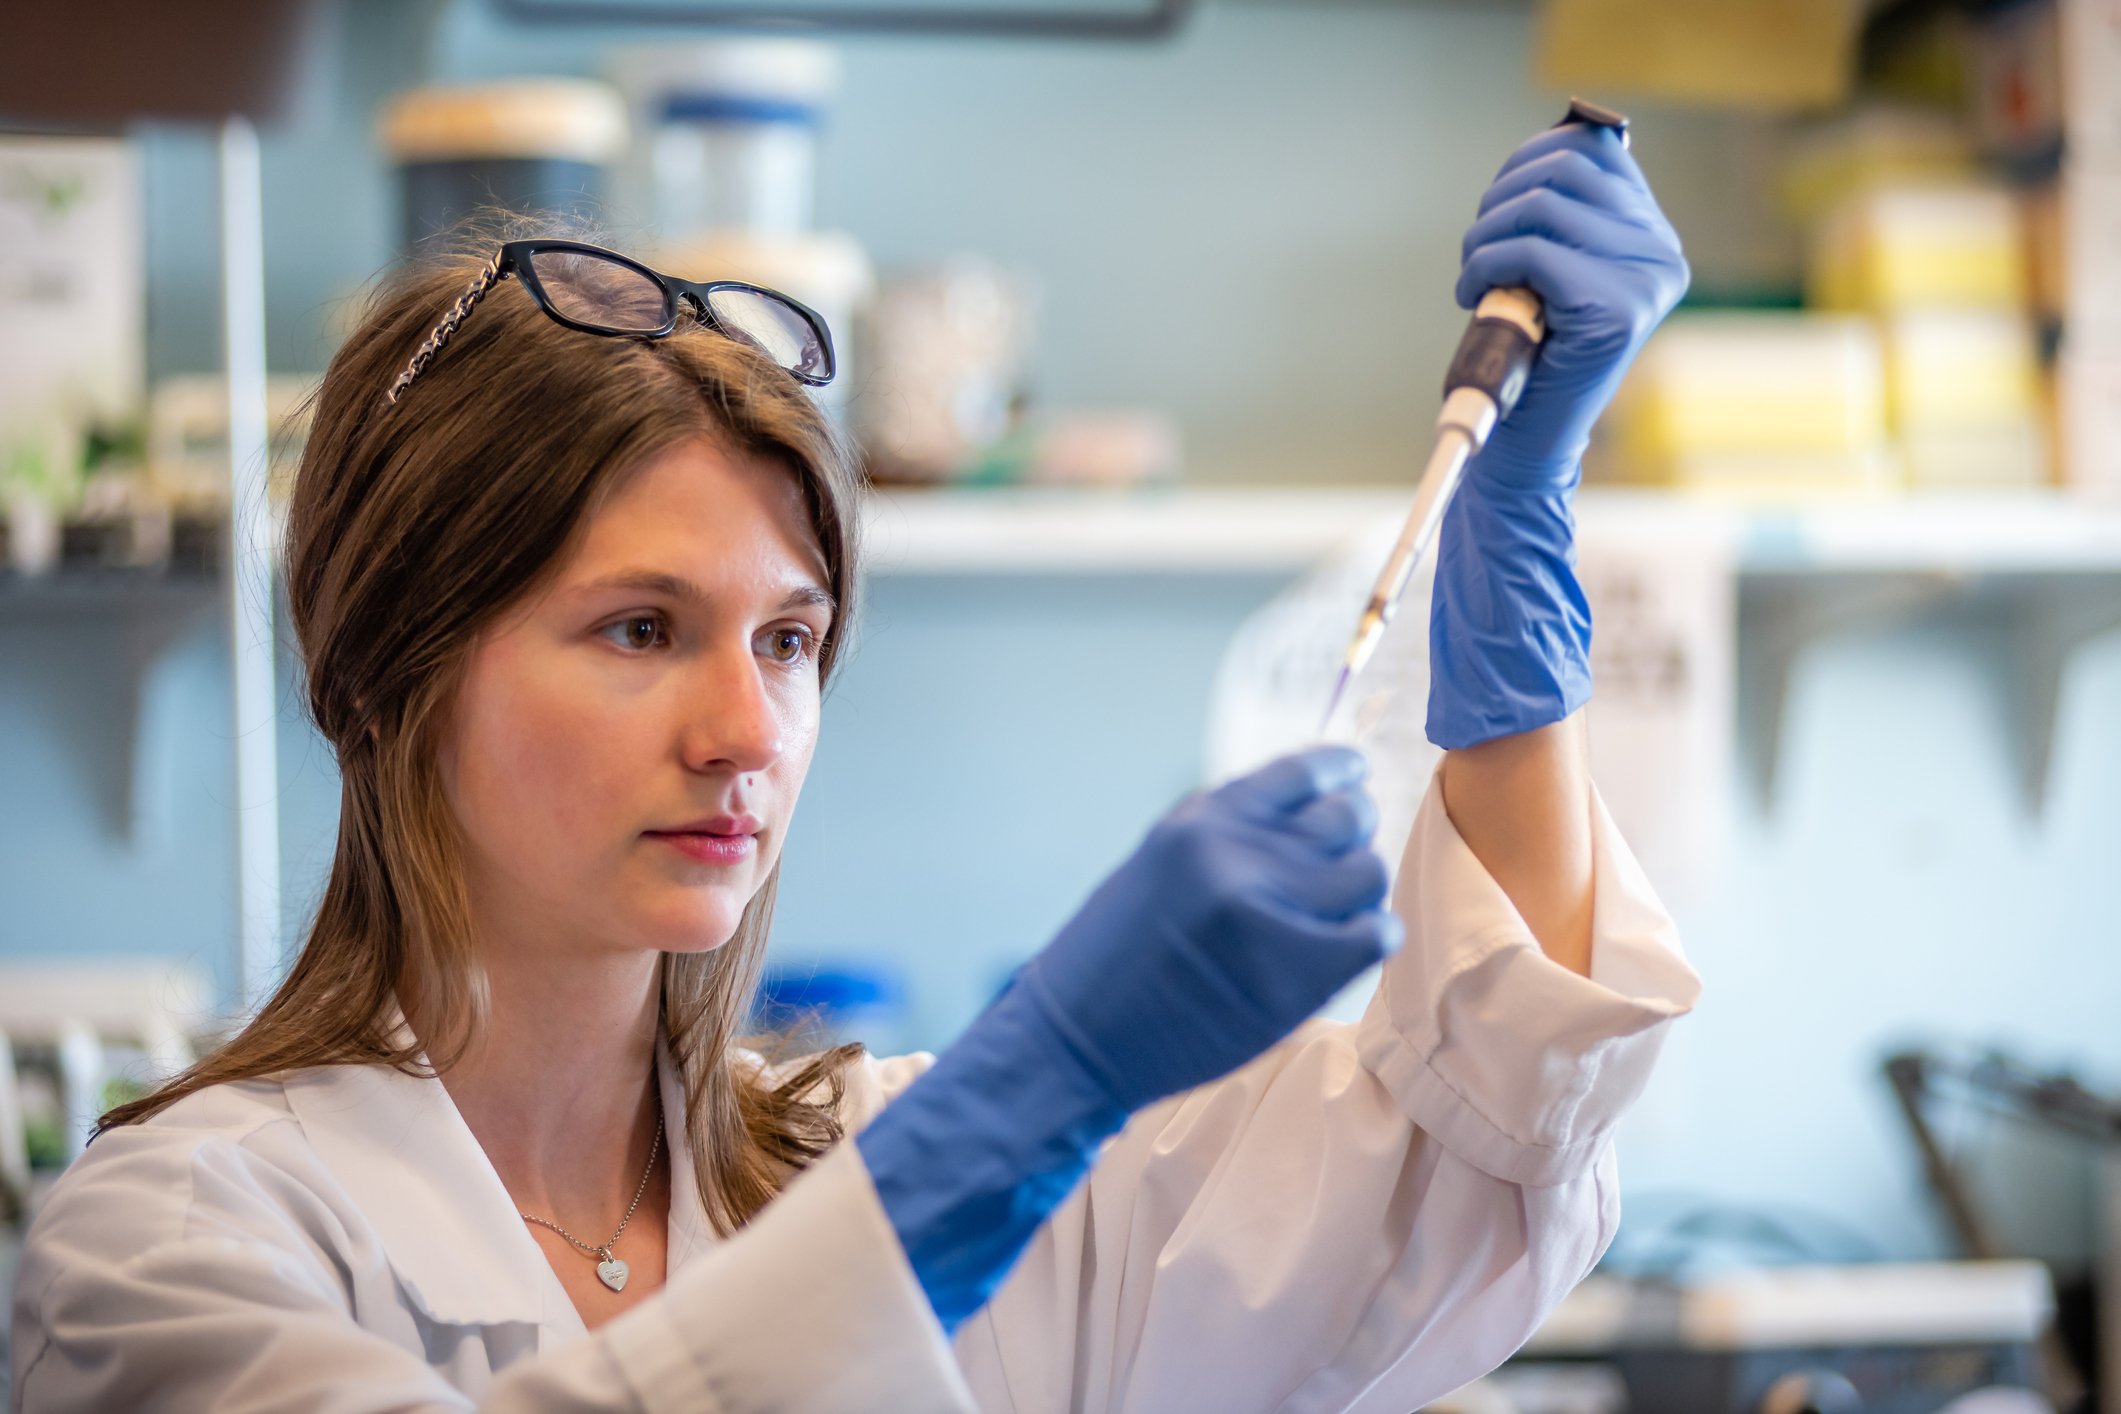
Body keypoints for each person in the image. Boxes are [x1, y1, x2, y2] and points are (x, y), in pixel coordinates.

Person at [10, 120, 1698, 1413]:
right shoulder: (166, 1247)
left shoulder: (850, 1154)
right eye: (638, 627)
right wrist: (1023, 1100)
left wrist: (1515, 569)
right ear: (387, 666)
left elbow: (1457, 1169)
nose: (744, 730)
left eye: (789, 640)